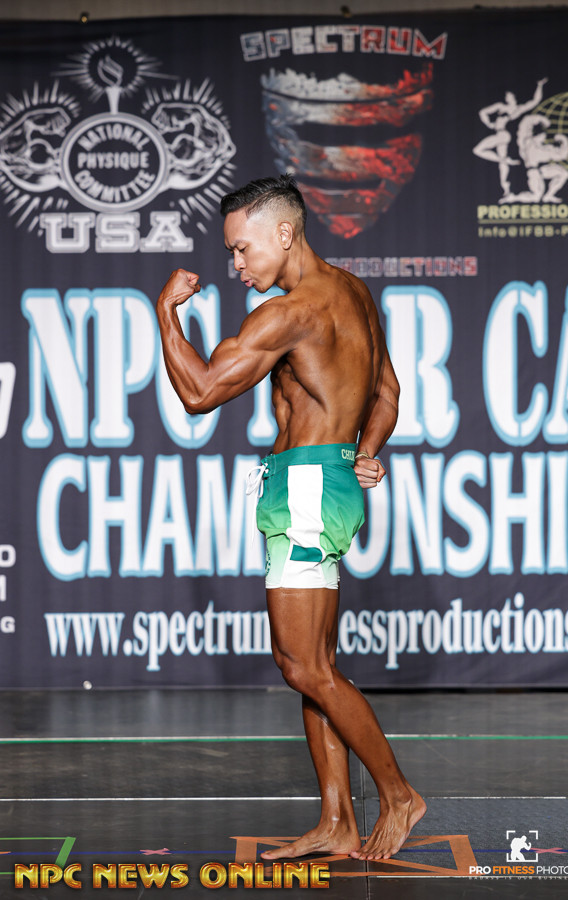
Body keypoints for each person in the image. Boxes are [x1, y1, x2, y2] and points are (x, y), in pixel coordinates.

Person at [156, 174, 426, 861]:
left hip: (306, 489)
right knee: (313, 663)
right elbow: (388, 391)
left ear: (284, 232)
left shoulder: (290, 313)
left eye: (242, 249)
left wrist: (166, 313)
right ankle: (337, 819)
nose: (236, 265)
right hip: (323, 481)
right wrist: (364, 452)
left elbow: (200, 393)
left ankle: (398, 794)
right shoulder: (354, 293)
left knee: (304, 667)